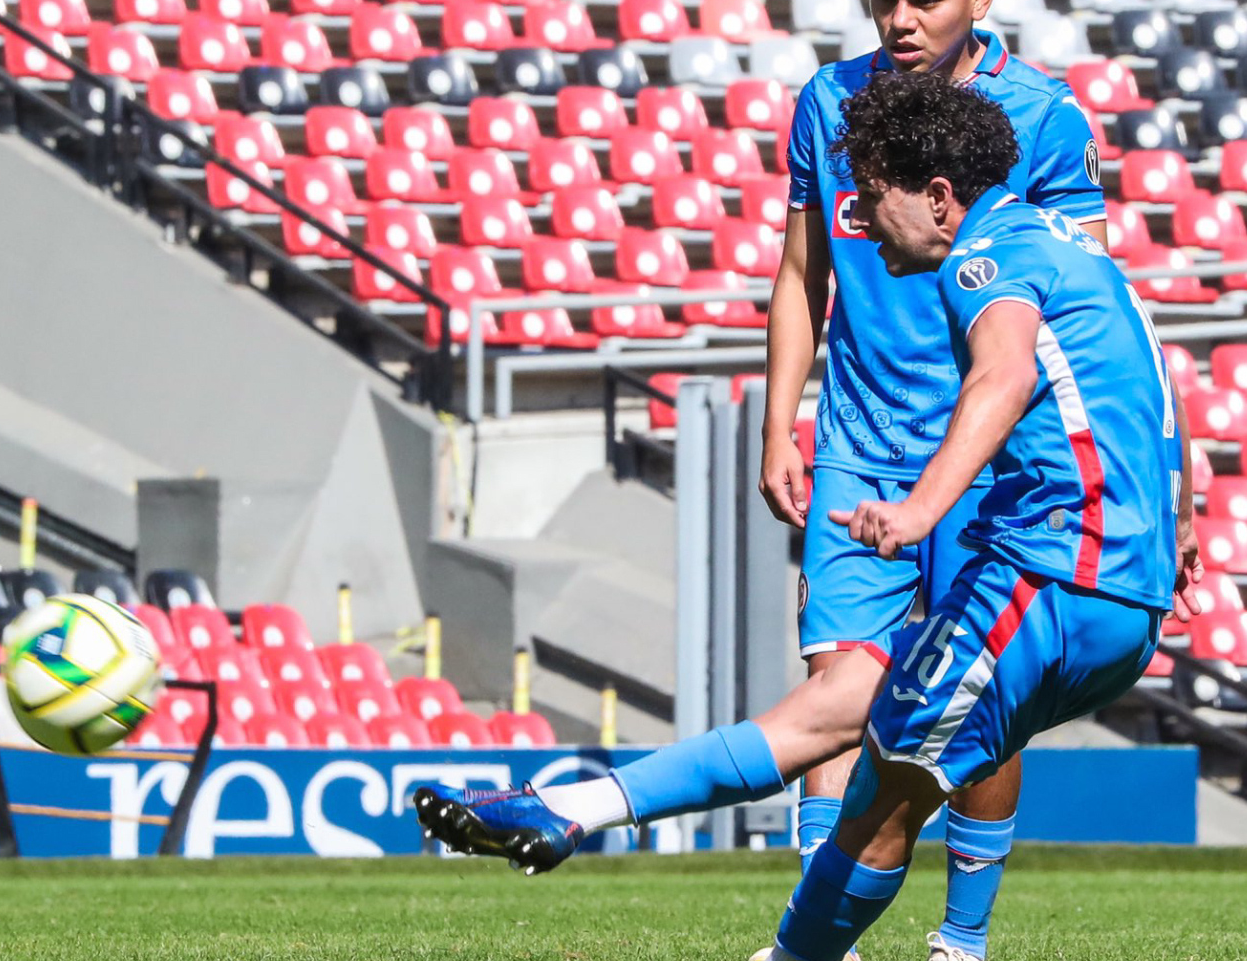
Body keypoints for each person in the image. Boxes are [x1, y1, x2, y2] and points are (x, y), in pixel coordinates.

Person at [415, 77, 1201, 961]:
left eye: (874, 198)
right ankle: (570, 809)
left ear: (939, 197)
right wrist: (1180, 518)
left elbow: (1002, 378)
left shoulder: (986, 261)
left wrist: (918, 510)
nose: (859, 218)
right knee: (841, 716)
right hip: (1120, 607)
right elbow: (1155, 390)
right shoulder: (1078, 252)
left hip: (1049, 577)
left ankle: (813, 949)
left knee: (865, 805)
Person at [757, 0, 1107, 949]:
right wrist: (782, 422)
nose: (901, 18)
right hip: (860, 441)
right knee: (838, 687)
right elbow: (798, 270)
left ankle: (963, 942)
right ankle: (827, 936)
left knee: (977, 696)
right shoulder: (828, 101)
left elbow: (1091, 303)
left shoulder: (1042, 116)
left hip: (988, 447)